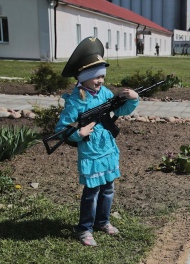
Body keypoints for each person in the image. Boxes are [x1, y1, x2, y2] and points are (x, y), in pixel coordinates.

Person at [56, 37, 140, 246]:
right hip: (91, 154)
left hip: (108, 150)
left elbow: (120, 110)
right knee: (91, 193)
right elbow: (61, 130)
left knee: (108, 189)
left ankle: (103, 221)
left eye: (102, 76)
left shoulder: (105, 94)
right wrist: (79, 133)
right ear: (83, 78)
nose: (100, 80)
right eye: (95, 77)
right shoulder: (76, 101)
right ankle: (84, 229)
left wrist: (134, 98)